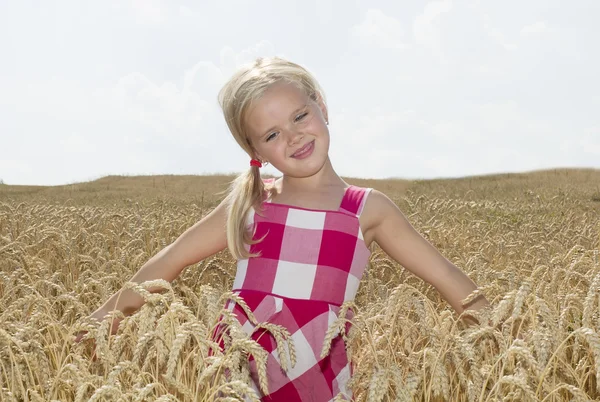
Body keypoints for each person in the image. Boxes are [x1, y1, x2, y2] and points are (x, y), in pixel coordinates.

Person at [78, 57, 489, 401]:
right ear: (255, 151)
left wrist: (498, 338)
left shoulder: (366, 209)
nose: (294, 137)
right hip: (237, 372)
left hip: (318, 374)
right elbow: (170, 261)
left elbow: (448, 278)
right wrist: (98, 323)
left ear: (322, 107)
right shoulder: (253, 203)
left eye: (300, 116)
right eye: (273, 135)